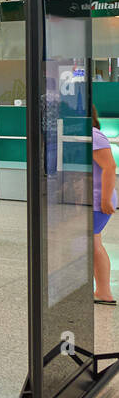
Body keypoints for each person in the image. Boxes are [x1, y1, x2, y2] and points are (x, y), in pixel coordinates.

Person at [94, 107, 116, 305]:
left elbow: (110, 167)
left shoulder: (93, 135)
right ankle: (102, 291)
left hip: (97, 201)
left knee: (92, 245)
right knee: (95, 244)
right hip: (91, 200)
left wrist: (105, 200)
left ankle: (104, 292)